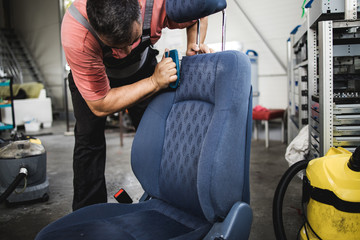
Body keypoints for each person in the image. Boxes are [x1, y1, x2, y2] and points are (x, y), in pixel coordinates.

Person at [61, 0, 213, 211]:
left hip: (141, 67)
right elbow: (100, 104)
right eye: (116, 45)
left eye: (131, 40)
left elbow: (198, 14)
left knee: (160, 134)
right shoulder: (77, 32)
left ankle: (171, 199)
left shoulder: (159, 4)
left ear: (139, 12)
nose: (124, 52)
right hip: (95, 78)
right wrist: (153, 82)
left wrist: (192, 48)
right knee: (89, 142)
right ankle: (88, 213)